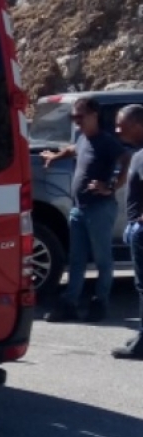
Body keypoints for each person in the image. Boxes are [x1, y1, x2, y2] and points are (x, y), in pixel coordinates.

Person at [41, 97, 131, 323]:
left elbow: (127, 160)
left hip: (100, 208)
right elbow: (73, 149)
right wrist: (55, 156)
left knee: (102, 259)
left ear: (94, 116)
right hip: (79, 209)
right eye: (73, 117)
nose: (75, 121)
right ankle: (69, 304)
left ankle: (100, 303)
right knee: (77, 259)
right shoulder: (83, 139)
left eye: (79, 117)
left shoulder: (106, 141)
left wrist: (111, 186)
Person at [112, 103, 143, 359]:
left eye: (122, 124)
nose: (117, 129)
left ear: (138, 125)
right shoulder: (137, 154)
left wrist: (139, 224)